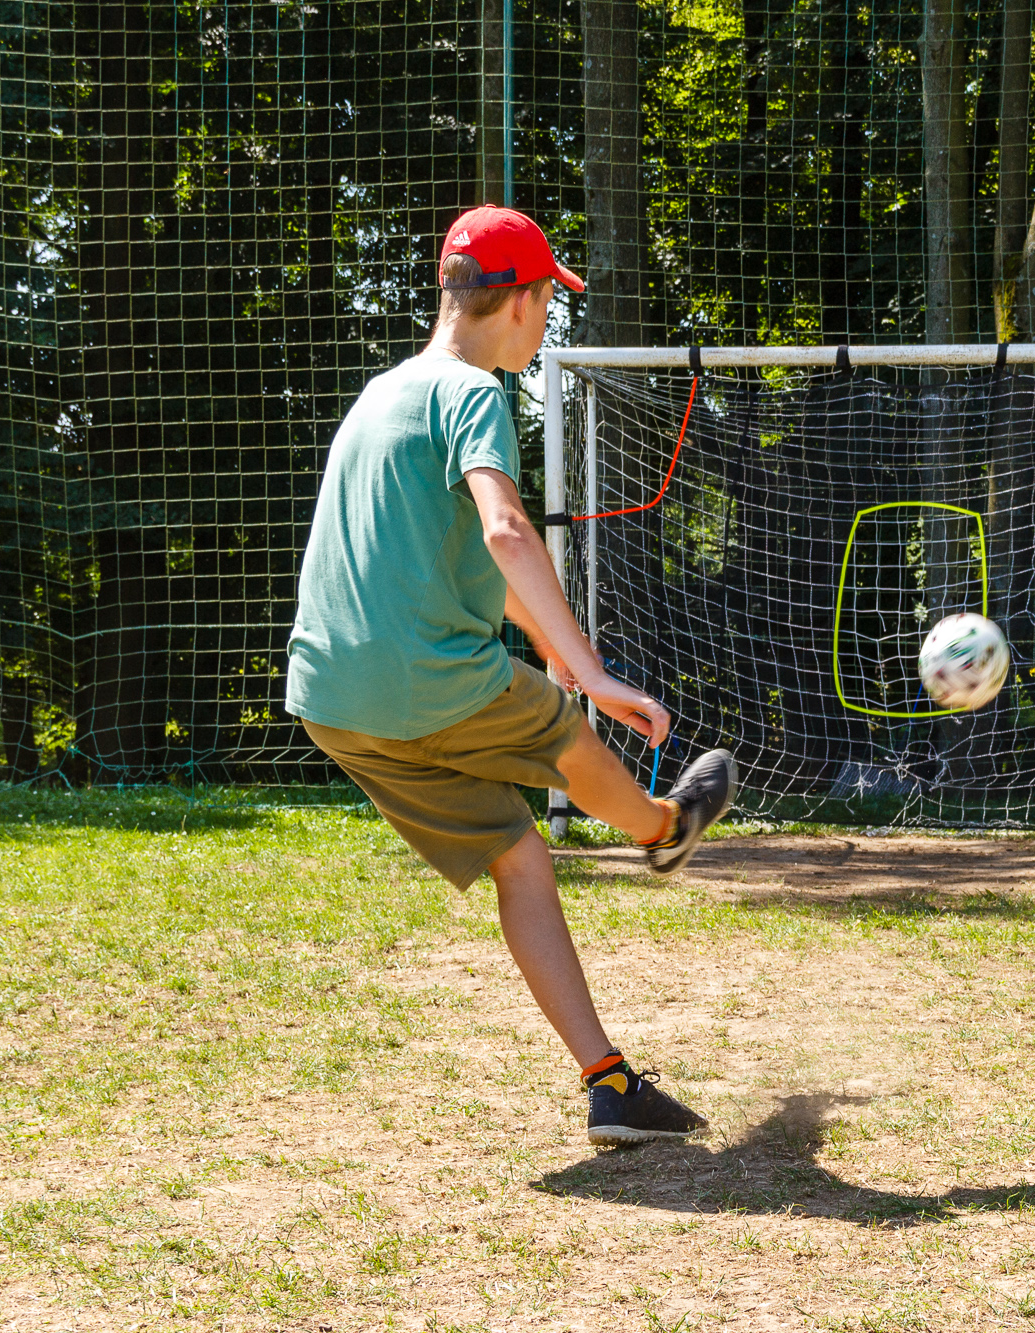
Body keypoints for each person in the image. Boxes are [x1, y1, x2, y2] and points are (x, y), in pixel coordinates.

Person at [285, 204, 732, 1147]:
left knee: (520, 856)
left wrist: (547, 644)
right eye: (549, 302)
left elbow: (458, 563)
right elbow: (506, 531)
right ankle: (663, 829)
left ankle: (611, 1084)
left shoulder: (382, 393)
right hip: (428, 677)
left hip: (332, 698)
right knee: (566, 733)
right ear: (521, 300)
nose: (548, 322)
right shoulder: (472, 392)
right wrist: (591, 674)